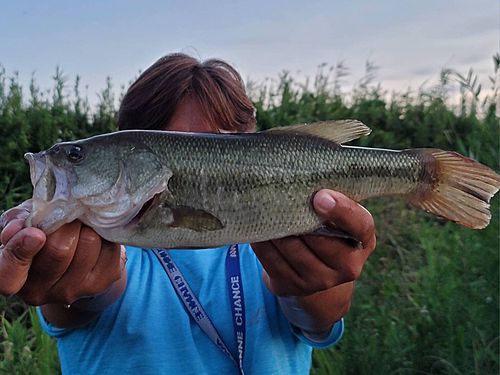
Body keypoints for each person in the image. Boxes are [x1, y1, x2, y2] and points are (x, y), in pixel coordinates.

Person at [0, 53, 376, 374]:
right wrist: (75, 291)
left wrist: (318, 293)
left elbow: (318, 318)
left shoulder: (280, 237)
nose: (200, 157)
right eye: (173, 142)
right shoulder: (100, 240)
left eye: (218, 144)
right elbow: (82, 298)